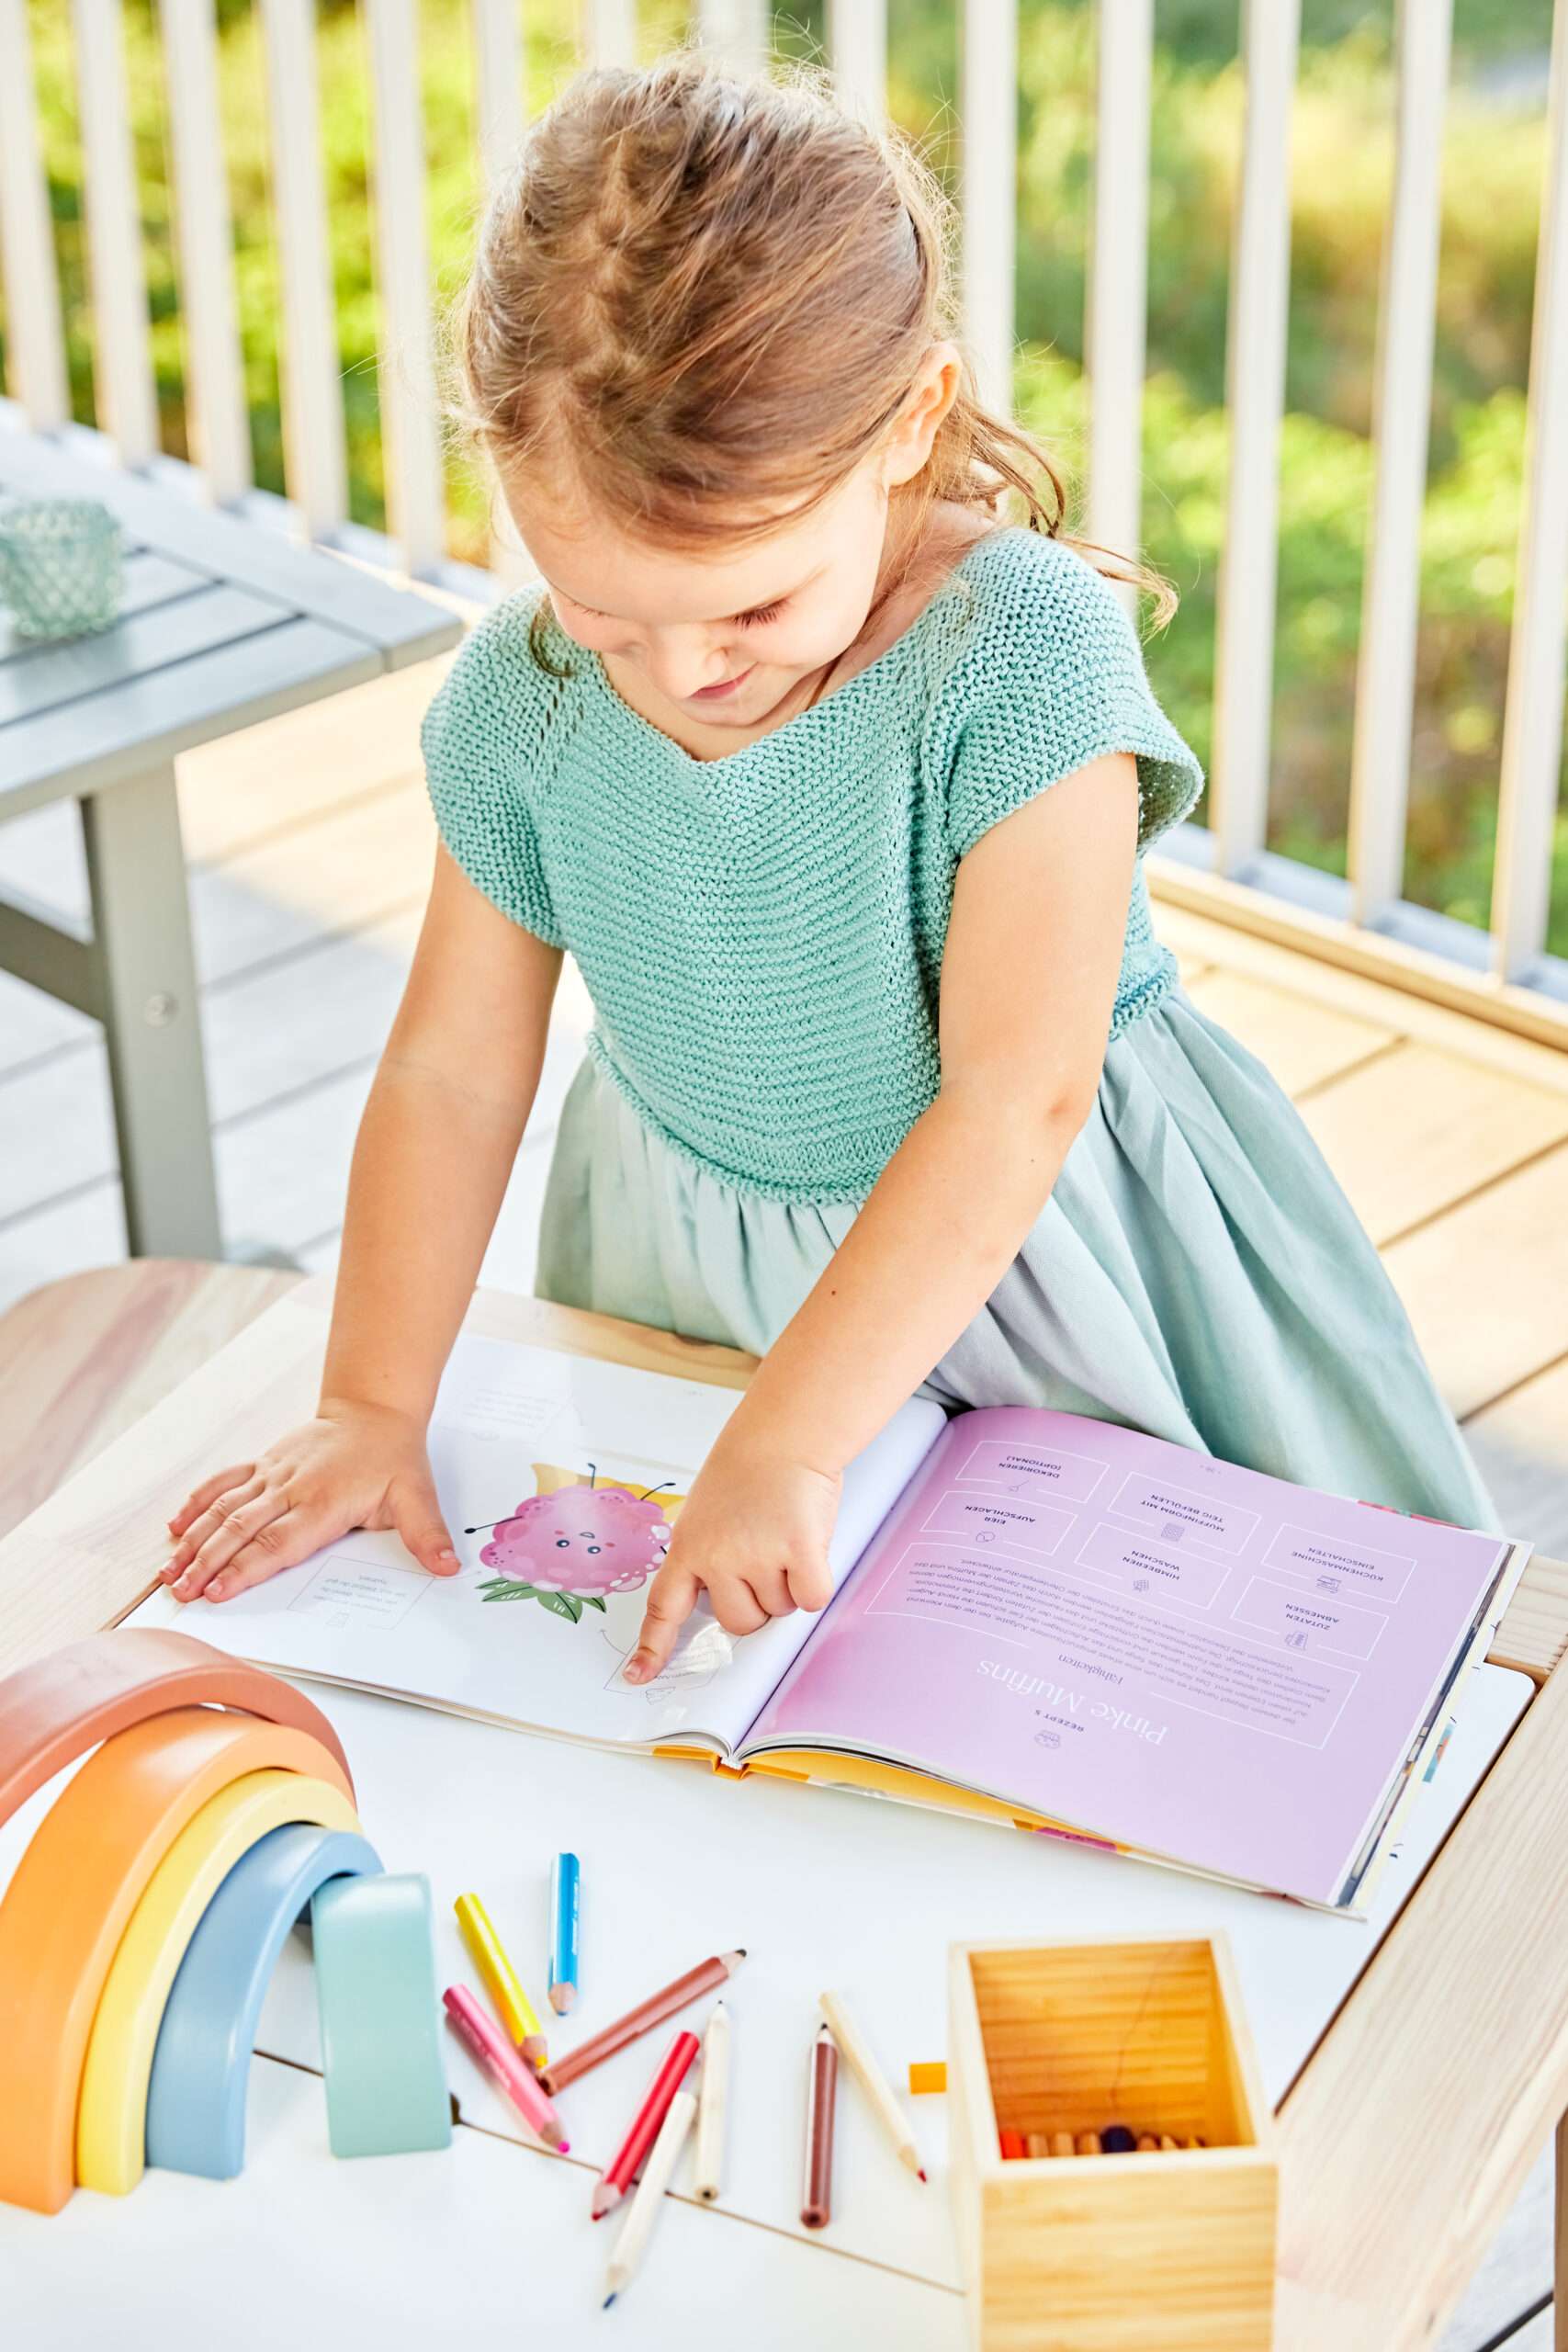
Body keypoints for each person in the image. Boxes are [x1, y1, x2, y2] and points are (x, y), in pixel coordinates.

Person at [164, 56, 1495, 1688]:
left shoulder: (1018, 662)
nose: (681, 671)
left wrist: (792, 1442)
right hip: (690, 1260)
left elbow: (1015, 1102)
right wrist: (372, 1403)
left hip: (1040, 1261)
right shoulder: (522, 701)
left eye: (752, 606)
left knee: (1147, 1681)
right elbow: (450, 1069)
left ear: (909, 425)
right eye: (605, 610)